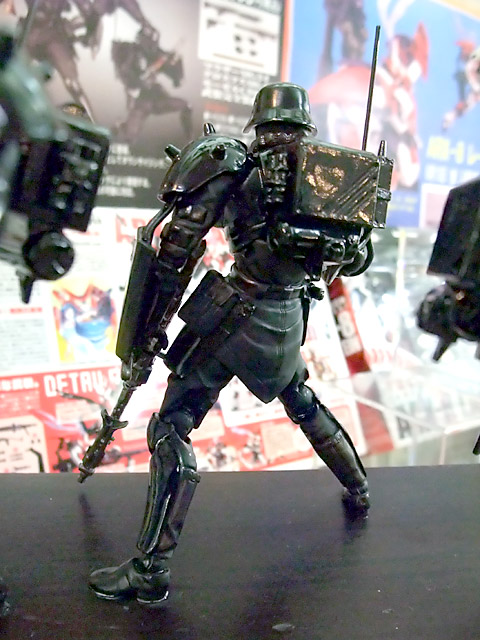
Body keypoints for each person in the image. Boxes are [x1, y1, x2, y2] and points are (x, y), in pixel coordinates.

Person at [88, 82, 391, 606]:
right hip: (289, 314)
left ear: (259, 125)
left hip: (240, 313)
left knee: (172, 424)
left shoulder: (234, 164)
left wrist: (148, 329)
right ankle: (359, 487)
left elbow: (177, 250)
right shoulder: (331, 178)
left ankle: (150, 569)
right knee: (302, 400)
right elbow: (359, 258)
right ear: (303, 127)